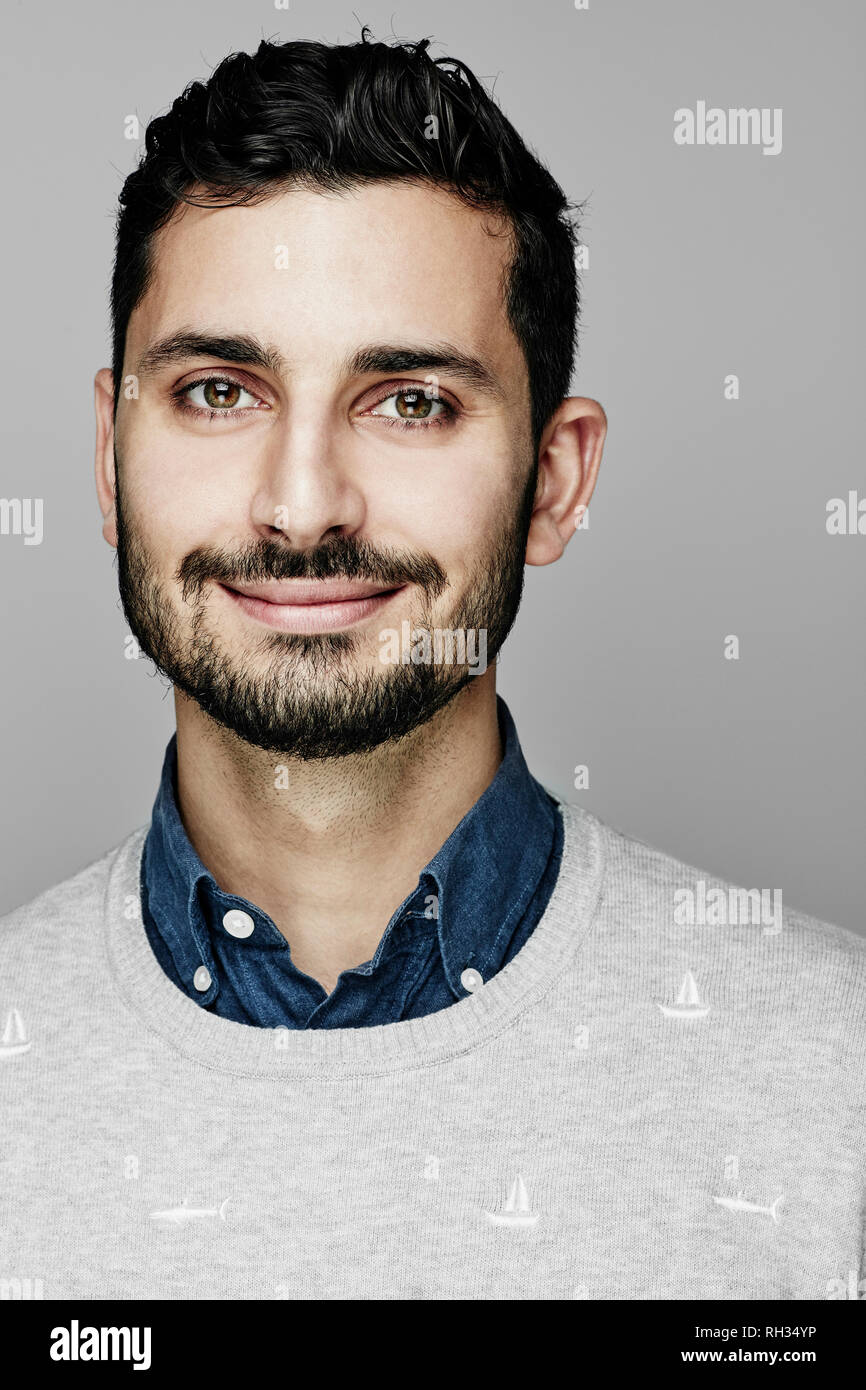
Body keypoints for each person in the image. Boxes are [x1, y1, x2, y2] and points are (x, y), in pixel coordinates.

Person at [0, 33, 862, 1301]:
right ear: (107, 454)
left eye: (409, 399)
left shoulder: (836, 1083)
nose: (301, 510)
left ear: (554, 483)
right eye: (218, 390)